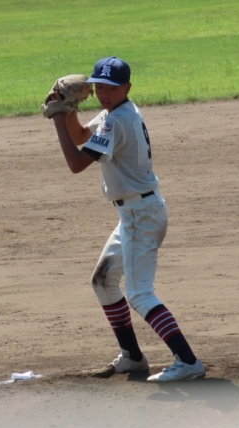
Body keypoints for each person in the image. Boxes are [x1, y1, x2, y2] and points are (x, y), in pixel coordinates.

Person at [48, 56, 206, 382]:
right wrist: (69, 110)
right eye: (100, 87)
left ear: (127, 87)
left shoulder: (116, 121)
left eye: (112, 87)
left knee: (140, 294)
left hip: (141, 216)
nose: (104, 93)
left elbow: (76, 163)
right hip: (135, 213)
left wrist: (57, 117)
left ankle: (188, 361)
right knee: (103, 282)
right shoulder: (116, 113)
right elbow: (81, 135)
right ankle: (133, 357)